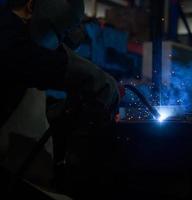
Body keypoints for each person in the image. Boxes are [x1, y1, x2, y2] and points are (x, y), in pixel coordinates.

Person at [0, 0, 120, 188]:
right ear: (31, 7)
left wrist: (62, 113)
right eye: (57, 33)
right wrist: (87, 75)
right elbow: (23, 57)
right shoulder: (8, 35)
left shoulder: (26, 58)